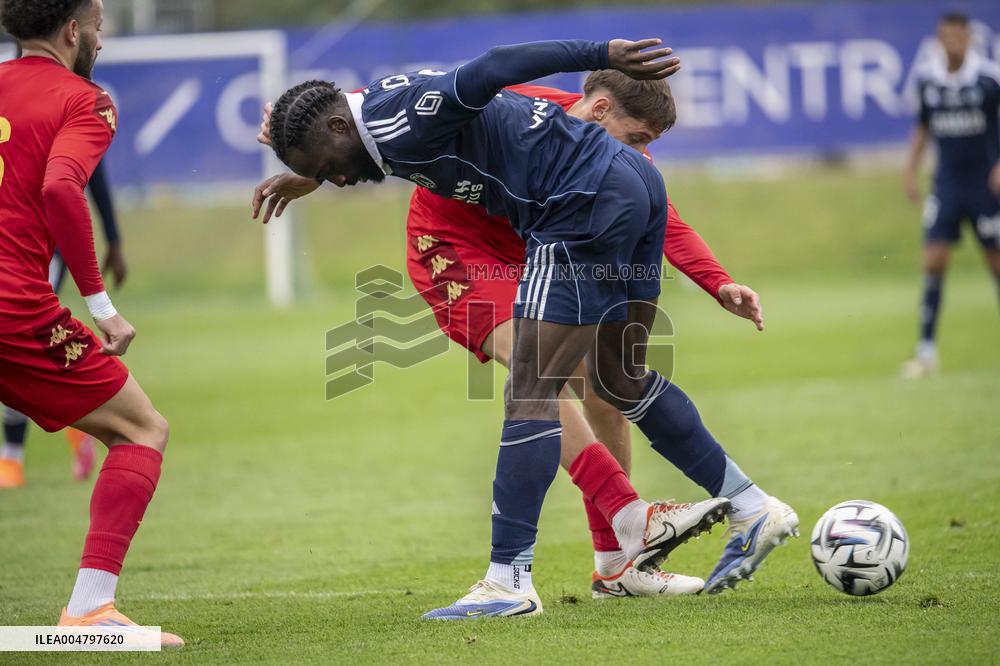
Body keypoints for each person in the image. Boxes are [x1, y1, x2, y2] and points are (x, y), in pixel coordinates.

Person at [252, 38, 795, 619]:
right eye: (322, 175)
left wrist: (602, 51)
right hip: (544, 219)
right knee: (610, 378)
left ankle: (517, 579)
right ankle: (733, 506)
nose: (333, 180)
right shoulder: (375, 119)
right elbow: (368, 121)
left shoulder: (417, 114)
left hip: (571, 209)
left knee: (540, 389)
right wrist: (313, 160)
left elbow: (479, 71)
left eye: (328, 167)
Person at [0, 0, 181, 645]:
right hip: (11, 306)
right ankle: (89, 610)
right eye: (99, 25)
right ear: (73, 29)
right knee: (141, 430)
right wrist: (100, 304)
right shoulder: (86, 99)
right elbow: (59, 189)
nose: (100, 39)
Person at [0, 154, 126, 489]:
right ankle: (76, 425)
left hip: (37, 252)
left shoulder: (67, 113)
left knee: (21, 339)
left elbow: (95, 176)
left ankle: (11, 455)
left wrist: (114, 242)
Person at [902, 11, 1000, 378]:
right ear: (939, 39)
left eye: (959, 36)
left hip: (985, 186)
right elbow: (923, 128)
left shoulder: (989, 78)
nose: (953, 42)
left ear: (969, 38)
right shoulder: (928, 80)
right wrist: (910, 169)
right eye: (946, 36)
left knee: (995, 265)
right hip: (946, 185)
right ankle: (926, 353)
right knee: (933, 263)